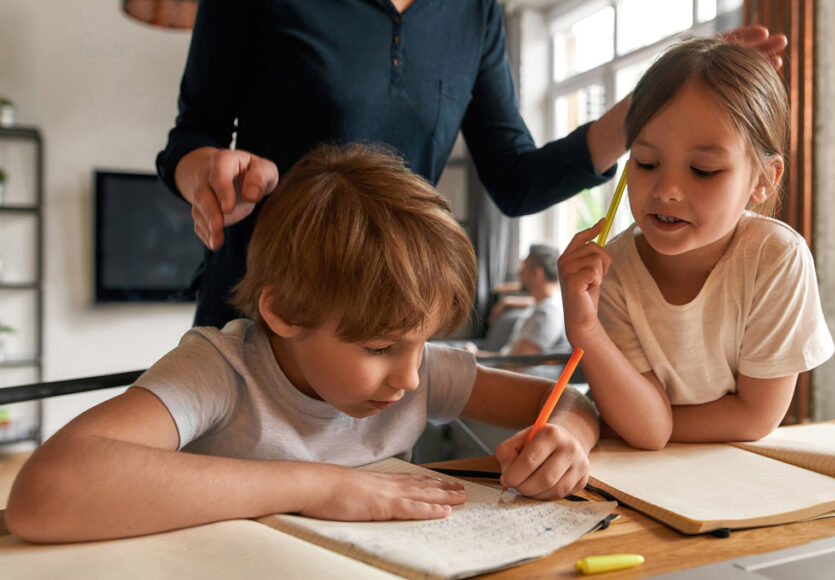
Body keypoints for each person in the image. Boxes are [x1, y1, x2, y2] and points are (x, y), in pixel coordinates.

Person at [6, 143, 599, 544]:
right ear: (285, 311)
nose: (410, 378)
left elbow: (572, 403)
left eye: (421, 345)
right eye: (379, 348)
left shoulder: (415, 372)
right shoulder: (220, 370)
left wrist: (567, 438)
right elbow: (45, 494)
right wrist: (320, 486)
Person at [155, 0, 787, 328]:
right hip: (263, 299)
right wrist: (208, 170)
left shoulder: (473, 13)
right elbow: (190, 138)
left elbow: (515, 180)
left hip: (386, 314)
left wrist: (661, 95)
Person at [558, 38, 834, 451]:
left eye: (703, 170)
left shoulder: (777, 258)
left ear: (762, 180)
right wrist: (585, 329)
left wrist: (646, 422)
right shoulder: (607, 272)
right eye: (646, 163)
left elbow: (757, 417)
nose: (667, 190)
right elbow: (649, 432)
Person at [471, 243, 569, 358]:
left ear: (537, 273)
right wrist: (507, 302)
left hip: (518, 374)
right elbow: (534, 303)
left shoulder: (547, 315)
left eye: (524, 267)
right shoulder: (549, 302)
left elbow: (516, 364)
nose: (519, 273)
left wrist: (475, 354)